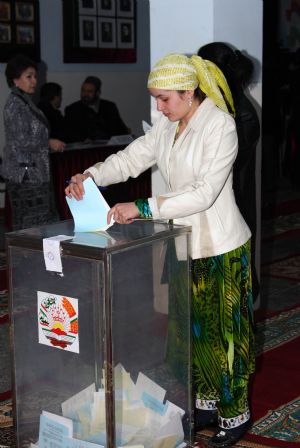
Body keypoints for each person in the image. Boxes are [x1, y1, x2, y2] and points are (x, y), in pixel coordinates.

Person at [65, 53, 255, 447]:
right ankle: (205, 403)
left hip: (221, 246)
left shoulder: (220, 126)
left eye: (165, 98)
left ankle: (234, 414)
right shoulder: (169, 126)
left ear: (190, 92)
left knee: (226, 335)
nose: (159, 107)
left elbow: (204, 193)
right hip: (184, 244)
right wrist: (91, 175)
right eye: (155, 99)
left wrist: (144, 207)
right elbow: (133, 158)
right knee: (192, 331)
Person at [198, 42, 260, 301]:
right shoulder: (227, 106)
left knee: (231, 282)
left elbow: (226, 164)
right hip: (226, 199)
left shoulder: (236, 113)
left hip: (231, 201)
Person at [1, 54, 65, 231]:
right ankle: (30, 257)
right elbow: (22, 141)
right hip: (25, 175)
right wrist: (49, 143)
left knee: (43, 221)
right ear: (15, 80)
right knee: (31, 224)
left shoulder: (26, 101)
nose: (34, 81)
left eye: (35, 76)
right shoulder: (15, 104)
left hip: (35, 173)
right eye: (28, 76)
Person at [64, 76, 130, 143]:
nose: (85, 94)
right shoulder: (73, 109)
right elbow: (69, 133)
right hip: (86, 148)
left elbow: (120, 129)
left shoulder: (110, 107)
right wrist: (84, 140)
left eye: (89, 91)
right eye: (83, 90)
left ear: (98, 93)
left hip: (110, 146)